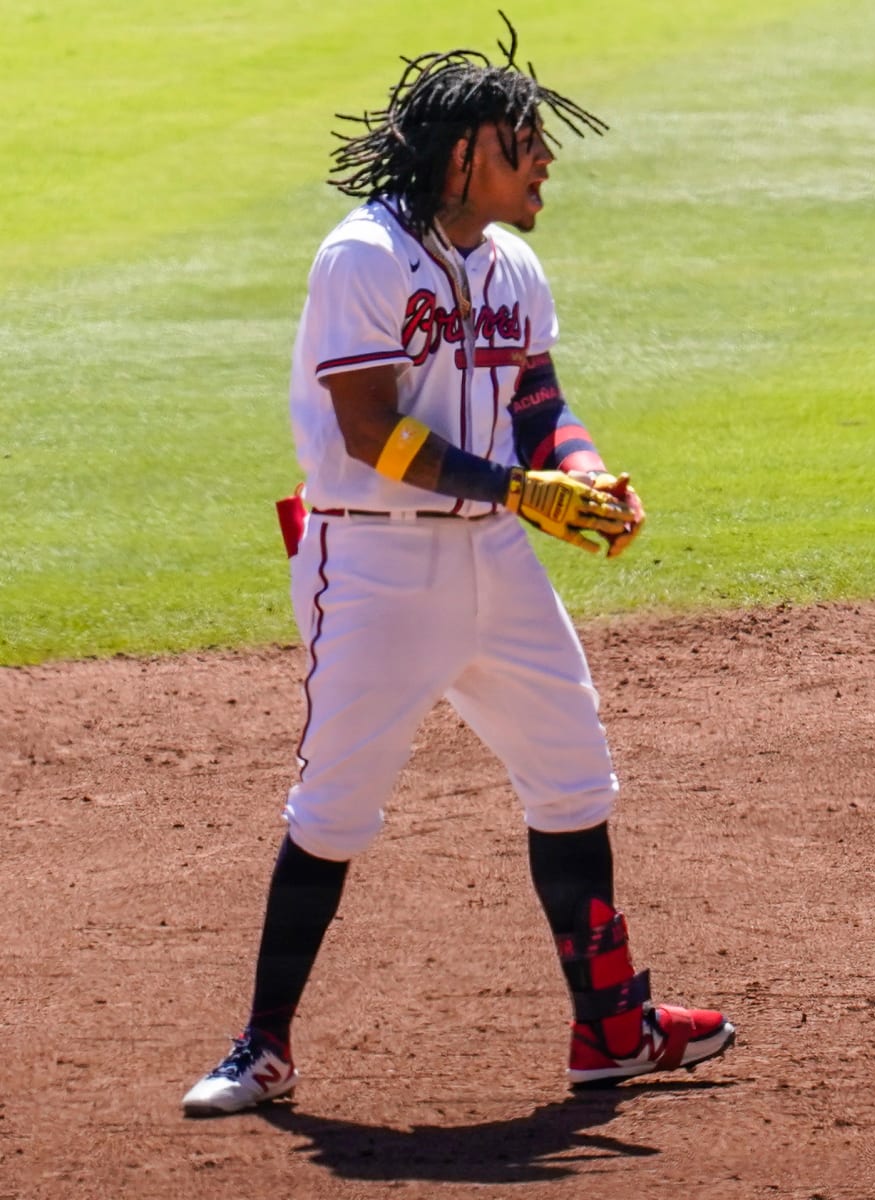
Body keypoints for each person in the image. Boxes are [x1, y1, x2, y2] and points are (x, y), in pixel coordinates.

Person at [182, 14, 735, 1117]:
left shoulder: (514, 264)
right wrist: (526, 492)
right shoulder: (365, 256)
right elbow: (370, 432)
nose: (545, 160)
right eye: (524, 141)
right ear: (463, 155)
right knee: (335, 808)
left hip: (492, 560)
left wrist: (582, 470)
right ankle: (265, 1046)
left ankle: (611, 1028)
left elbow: (538, 400)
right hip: (375, 566)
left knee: (574, 776)